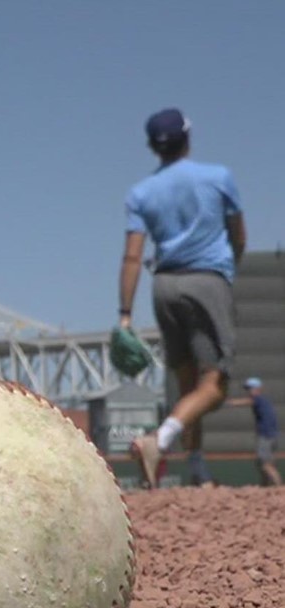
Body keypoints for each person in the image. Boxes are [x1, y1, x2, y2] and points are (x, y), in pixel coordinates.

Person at [119, 107, 247, 490]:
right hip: (206, 280)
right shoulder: (218, 177)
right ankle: (158, 441)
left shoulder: (140, 193)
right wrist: (226, 271)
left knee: (189, 386)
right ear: (187, 138)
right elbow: (238, 236)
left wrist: (124, 315)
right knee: (215, 385)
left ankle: (197, 469)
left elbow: (132, 256)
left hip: (164, 286)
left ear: (152, 148)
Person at [225, 377, 282, 486]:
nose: (249, 391)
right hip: (271, 435)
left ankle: (279, 487)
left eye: (250, 388)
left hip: (266, 436)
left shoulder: (258, 399)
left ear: (258, 389)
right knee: (263, 463)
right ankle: (265, 485)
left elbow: (247, 402)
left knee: (265, 464)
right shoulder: (264, 401)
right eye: (248, 389)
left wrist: (228, 402)